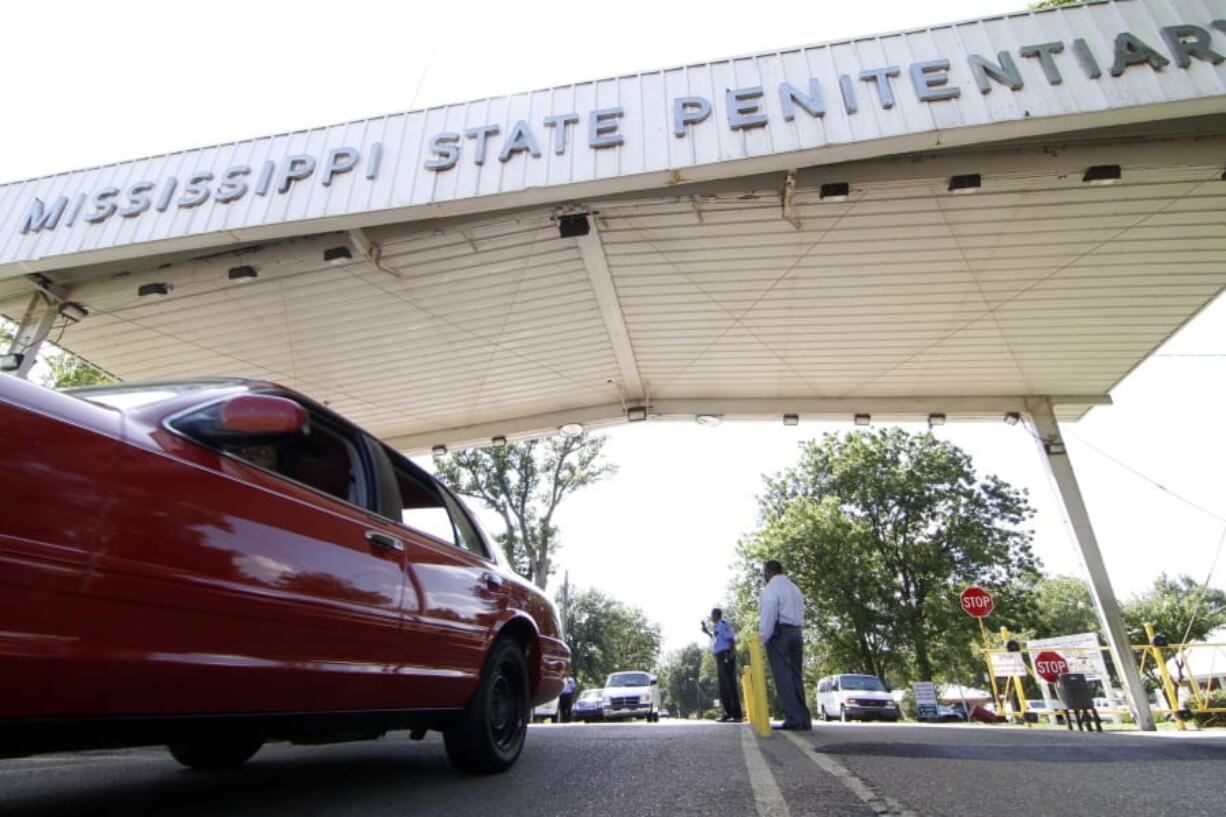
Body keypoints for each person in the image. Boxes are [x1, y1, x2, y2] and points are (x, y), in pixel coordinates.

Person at [759, 559, 811, 730]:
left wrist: (762, 639)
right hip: (796, 632)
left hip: (780, 634)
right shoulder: (795, 588)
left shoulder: (770, 590)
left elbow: (769, 615)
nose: (763, 576)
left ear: (768, 571)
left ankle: (794, 719)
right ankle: (804, 719)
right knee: (796, 676)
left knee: (783, 678)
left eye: (763, 573)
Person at [701, 608, 743, 722]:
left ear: (716, 615)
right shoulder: (717, 626)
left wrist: (731, 653)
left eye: (712, 614)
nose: (711, 617)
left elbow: (731, 639)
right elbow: (716, 639)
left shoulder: (724, 624)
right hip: (720, 656)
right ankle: (728, 713)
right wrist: (706, 631)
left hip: (726, 655)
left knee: (730, 684)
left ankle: (737, 714)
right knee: (723, 685)